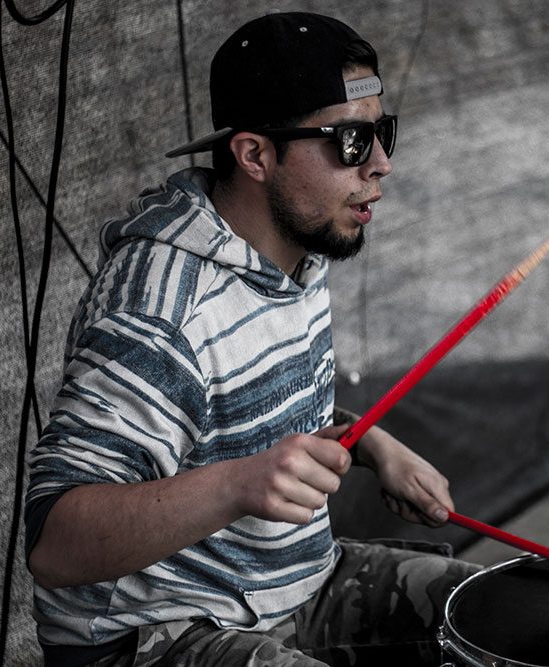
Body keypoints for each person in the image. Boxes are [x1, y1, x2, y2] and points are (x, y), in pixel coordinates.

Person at [25, 12, 480, 666]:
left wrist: (371, 443)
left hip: (294, 587)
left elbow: (245, 414)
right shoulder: (161, 310)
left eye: (383, 132)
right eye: (351, 140)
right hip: (158, 633)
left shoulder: (298, 250)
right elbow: (54, 543)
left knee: (513, 609)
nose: (381, 164)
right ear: (255, 155)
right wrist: (237, 485)